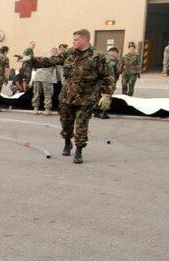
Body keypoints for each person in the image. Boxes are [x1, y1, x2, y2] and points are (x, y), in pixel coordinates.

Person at [29, 29, 114, 164]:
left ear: (85, 40)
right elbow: (52, 61)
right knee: (66, 123)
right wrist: (31, 60)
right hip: (67, 96)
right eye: (73, 39)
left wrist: (106, 95)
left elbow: (108, 77)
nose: (73, 42)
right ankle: (67, 143)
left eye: (76, 40)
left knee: (82, 125)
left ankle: (79, 151)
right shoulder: (69, 53)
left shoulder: (98, 56)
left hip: (86, 97)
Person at [31, 48, 61, 116]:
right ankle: (47, 110)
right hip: (46, 78)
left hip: (37, 77)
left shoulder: (44, 58)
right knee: (48, 94)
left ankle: (35, 109)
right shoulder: (54, 59)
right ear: (56, 53)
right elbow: (58, 71)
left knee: (36, 93)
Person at [97, 47, 121, 119]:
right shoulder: (115, 60)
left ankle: (96, 112)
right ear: (115, 53)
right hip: (109, 81)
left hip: (100, 80)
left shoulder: (101, 58)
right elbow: (117, 72)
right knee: (107, 96)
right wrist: (114, 81)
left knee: (98, 95)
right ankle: (104, 113)